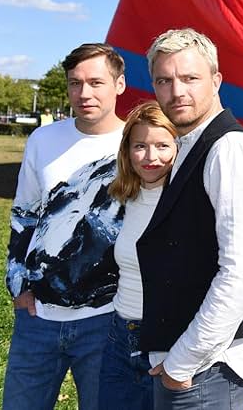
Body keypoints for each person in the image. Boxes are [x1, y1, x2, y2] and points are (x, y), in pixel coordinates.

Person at [139, 28, 243, 408]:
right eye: (164, 80)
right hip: (191, 363)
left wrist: (182, 363)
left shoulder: (231, 151)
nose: (177, 91)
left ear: (216, 81)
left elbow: (240, 276)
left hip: (208, 369)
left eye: (190, 78)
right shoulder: (190, 144)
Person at [3, 43, 127, 410]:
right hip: (38, 316)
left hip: (107, 320)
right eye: (75, 83)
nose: (84, 93)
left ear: (119, 84)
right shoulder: (43, 140)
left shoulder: (138, 145)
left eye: (96, 82)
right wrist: (18, 285)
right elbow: (24, 214)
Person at [97, 101, 178, 409]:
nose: (151, 157)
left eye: (162, 145)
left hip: (167, 342)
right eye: (140, 146)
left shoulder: (190, 202)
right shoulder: (123, 199)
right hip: (119, 335)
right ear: (127, 152)